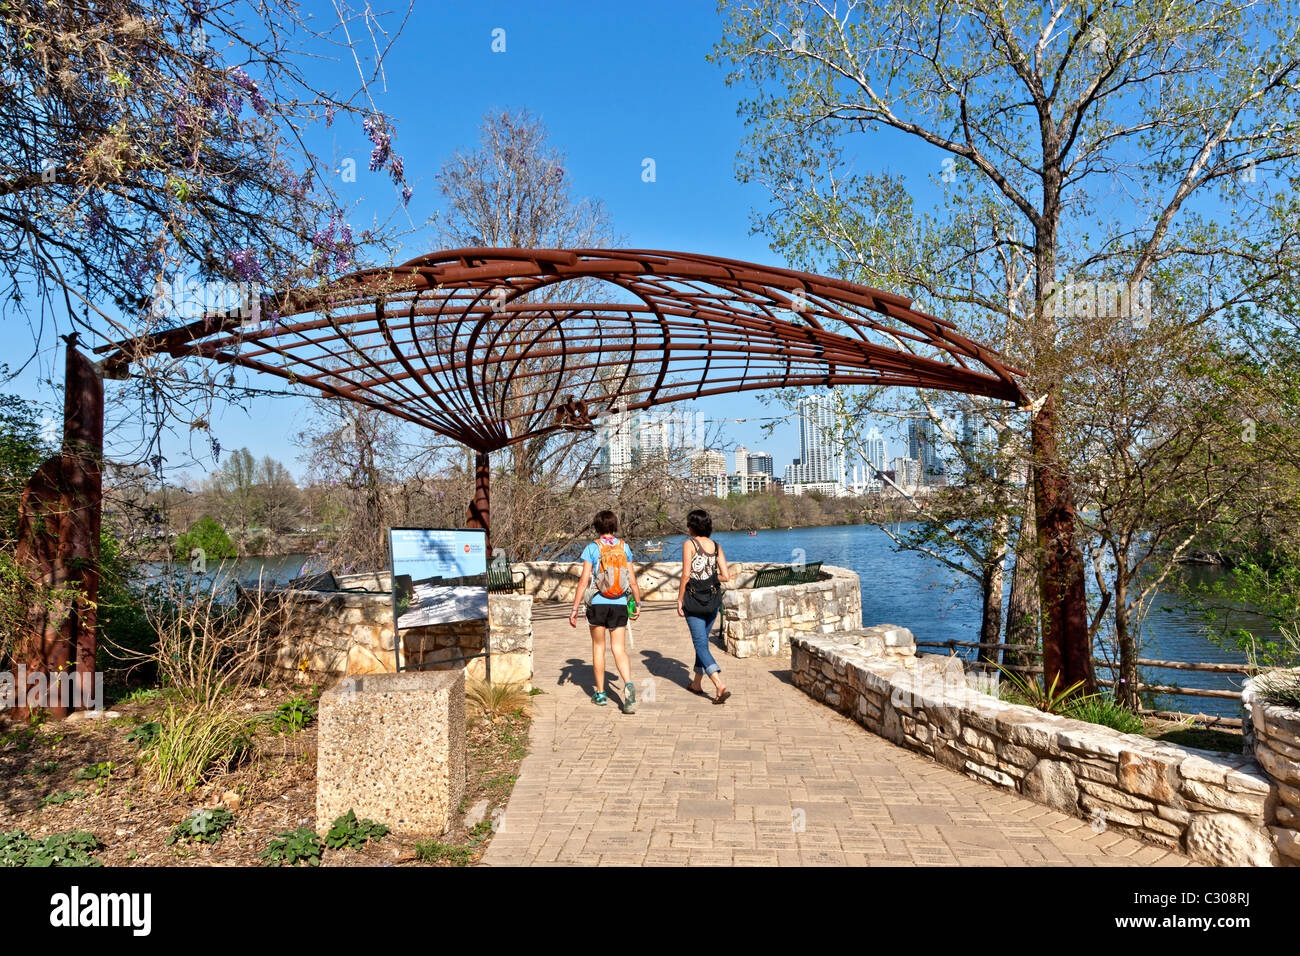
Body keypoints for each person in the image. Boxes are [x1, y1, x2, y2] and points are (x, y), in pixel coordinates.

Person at [569, 509, 643, 713]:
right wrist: (637, 603)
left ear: (597, 527)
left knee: (599, 647)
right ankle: (628, 684)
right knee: (619, 648)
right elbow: (632, 580)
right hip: (619, 603)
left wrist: (575, 608)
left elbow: (584, 581)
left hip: (598, 603)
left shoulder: (592, 548)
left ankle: (600, 694)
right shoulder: (623, 547)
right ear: (614, 526)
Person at [677, 508, 731, 704]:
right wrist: (710, 577)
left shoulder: (689, 544)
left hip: (694, 602)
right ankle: (696, 684)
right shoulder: (716, 546)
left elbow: (686, 574)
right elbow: (726, 576)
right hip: (713, 602)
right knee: (703, 644)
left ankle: (718, 683)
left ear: (692, 526)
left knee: (700, 644)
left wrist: (680, 599)